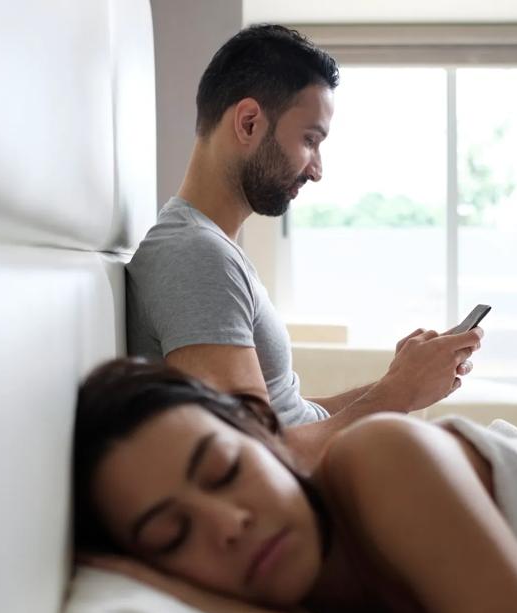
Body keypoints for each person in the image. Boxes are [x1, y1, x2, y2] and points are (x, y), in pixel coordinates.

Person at [73, 357, 517, 613]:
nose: (225, 524)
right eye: (171, 535)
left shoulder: (381, 458)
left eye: (224, 471)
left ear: (263, 434)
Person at [126, 24, 482, 466]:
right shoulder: (195, 257)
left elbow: (284, 415)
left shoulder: (211, 248)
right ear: (249, 122)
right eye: (310, 140)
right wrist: (399, 393)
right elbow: (253, 457)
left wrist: (396, 382)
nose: (316, 170)